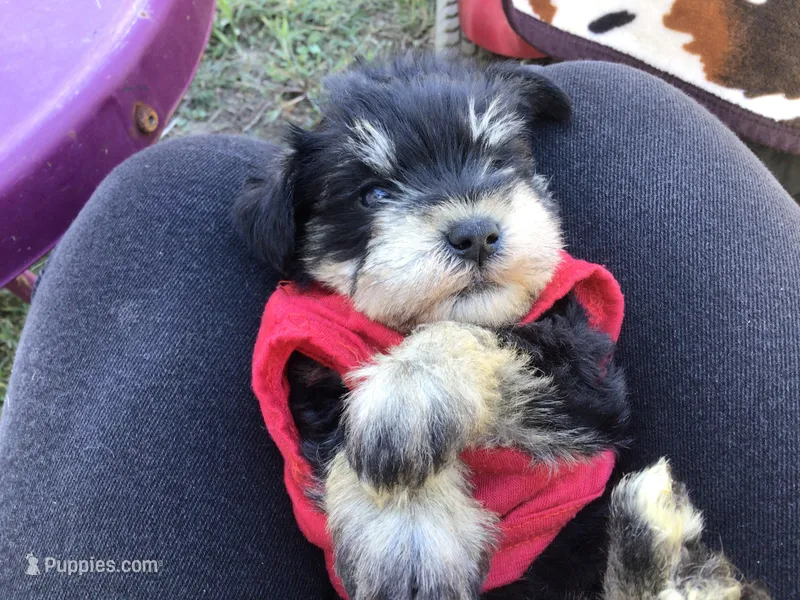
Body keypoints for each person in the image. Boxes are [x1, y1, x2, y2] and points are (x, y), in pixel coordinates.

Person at [0, 61, 797, 599]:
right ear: (300, 236)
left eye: (496, 162)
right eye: (377, 196)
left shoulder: (551, 300)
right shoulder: (311, 336)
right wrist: (377, 479)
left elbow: (594, 412)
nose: (472, 223)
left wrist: (456, 370)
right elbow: (314, 431)